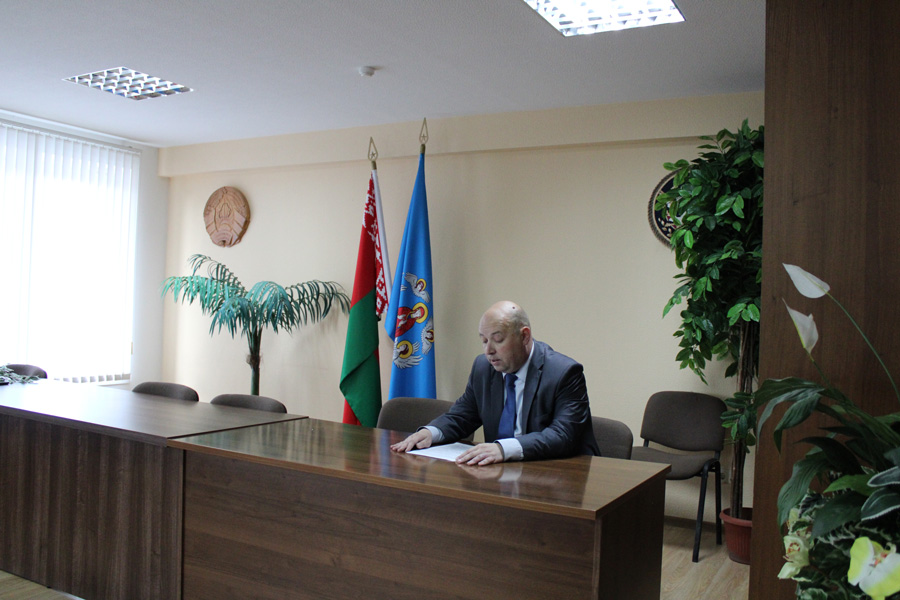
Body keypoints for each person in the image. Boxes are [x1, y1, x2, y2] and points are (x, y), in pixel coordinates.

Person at [390, 300, 600, 465]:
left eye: (498, 340)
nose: (488, 350)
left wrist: (503, 449)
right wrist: (430, 432)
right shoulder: (483, 368)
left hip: (561, 476)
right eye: (484, 340)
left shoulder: (564, 373)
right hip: (504, 474)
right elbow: (463, 415)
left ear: (524, 336)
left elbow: (563, 436)